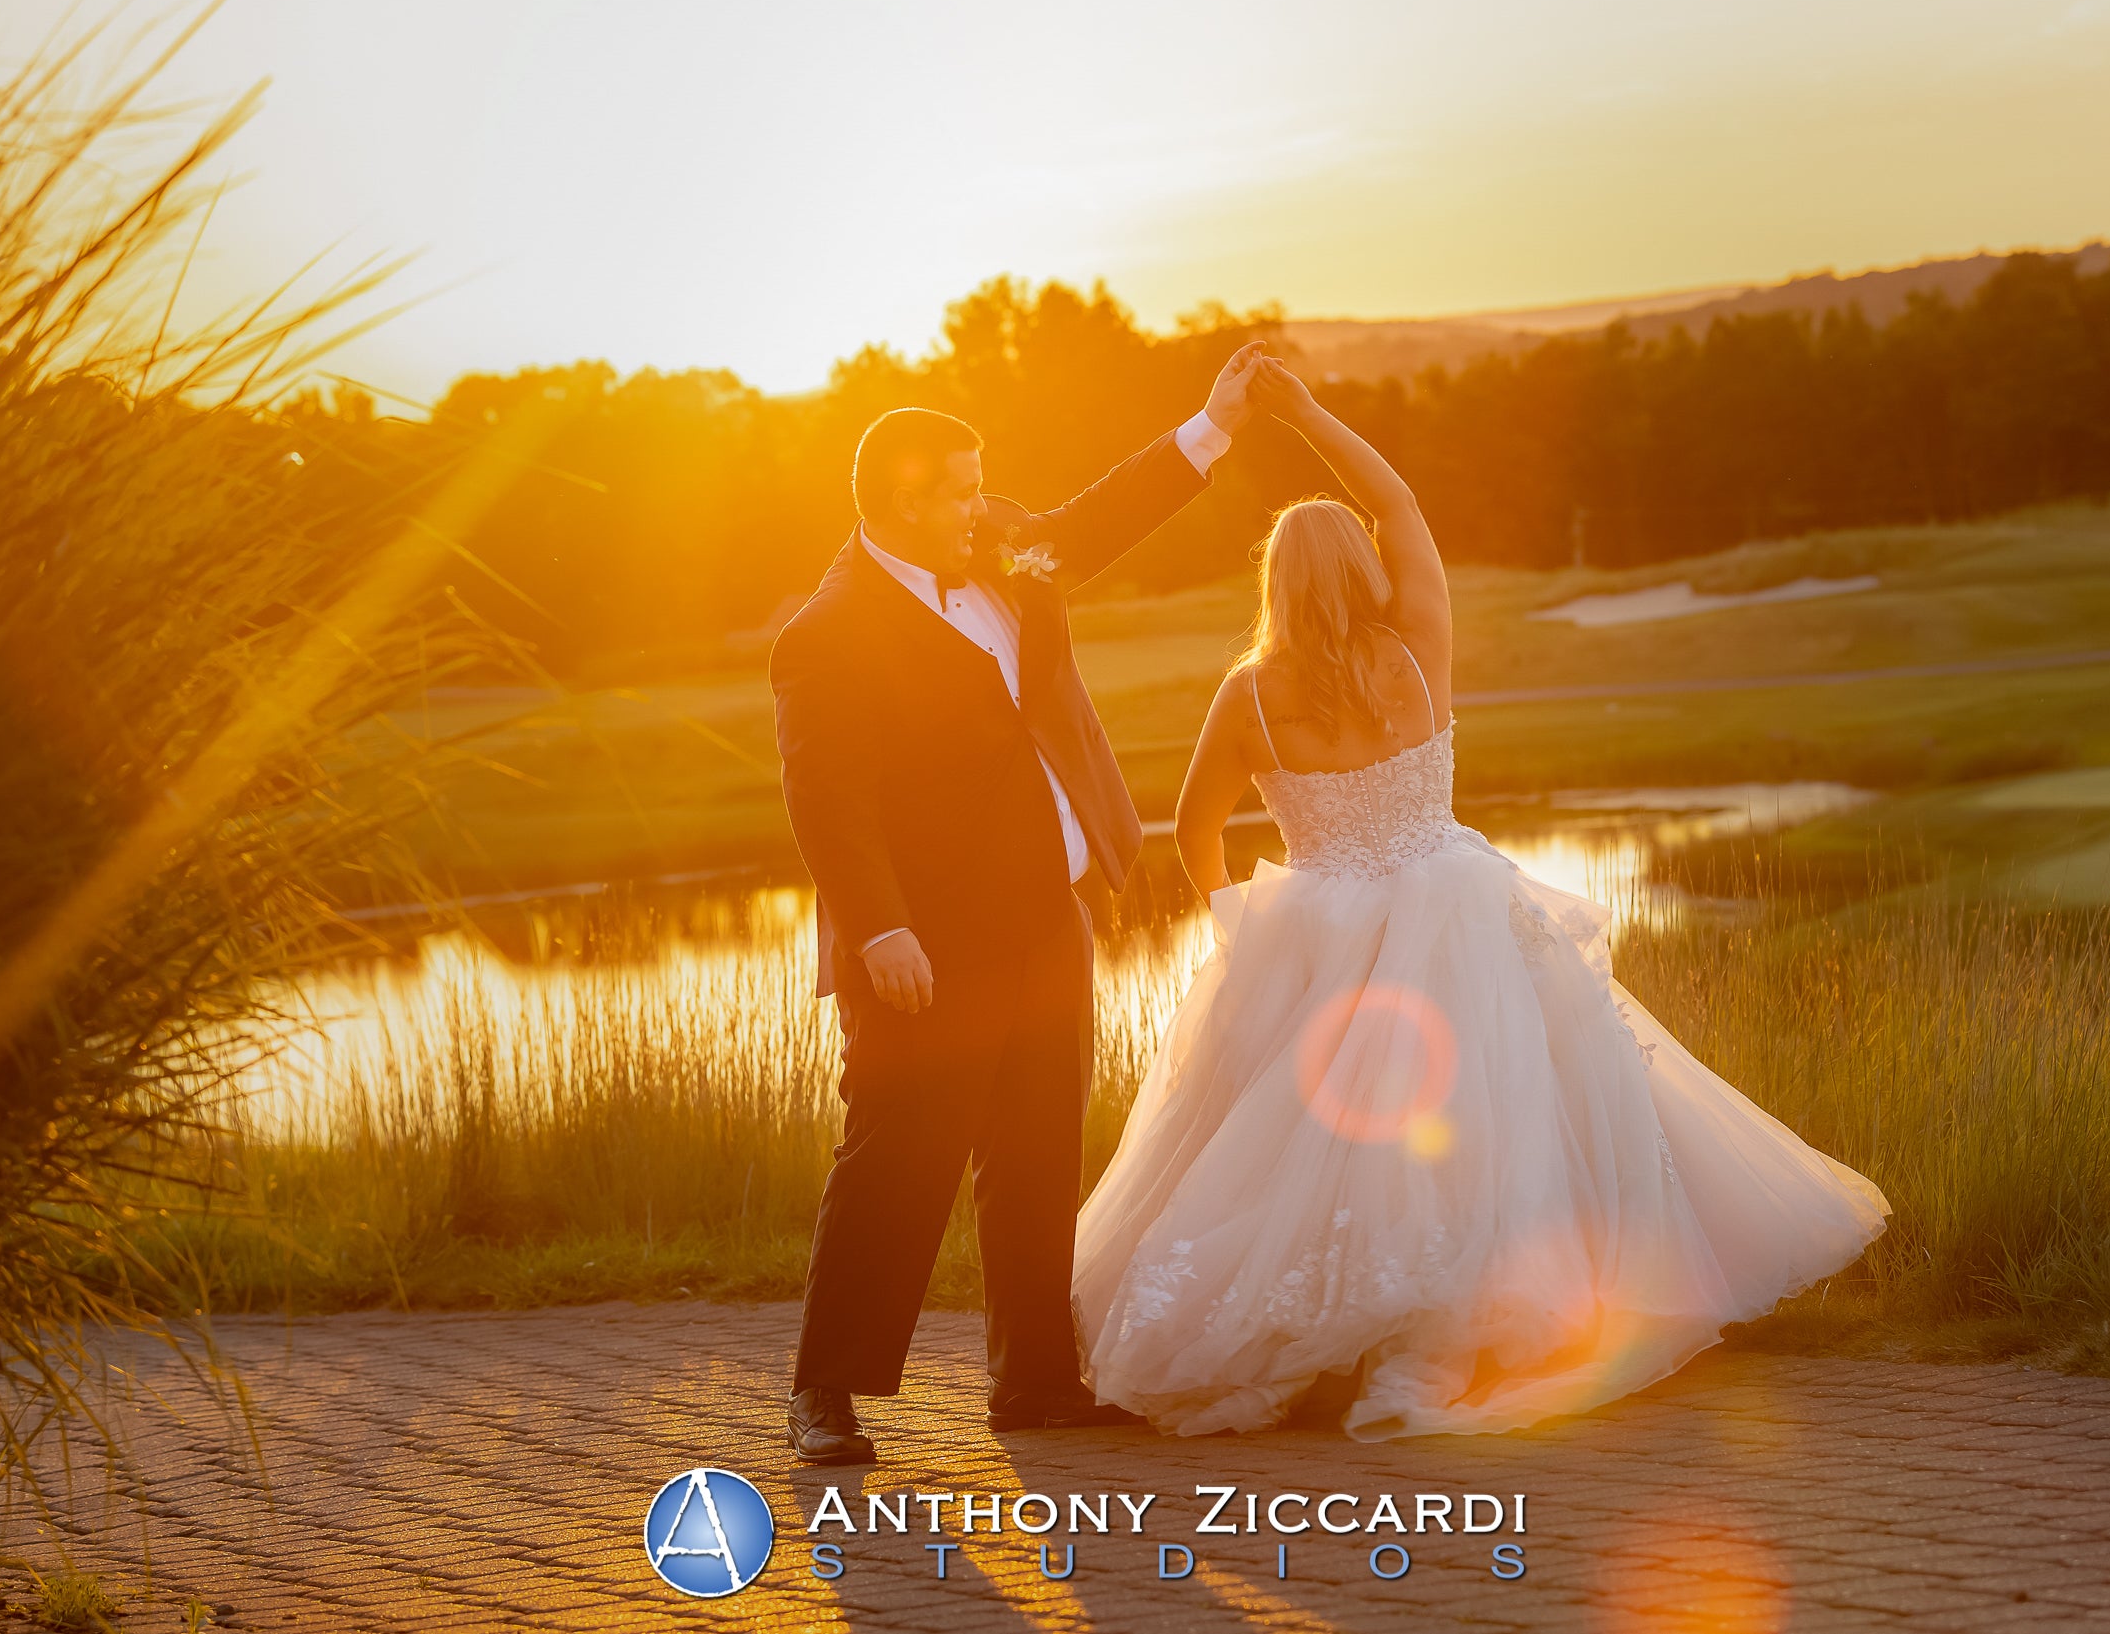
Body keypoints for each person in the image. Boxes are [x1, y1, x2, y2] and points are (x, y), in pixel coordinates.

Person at [1073, 356, 1889, 1440]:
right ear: (1360, 566)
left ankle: (1334, 1336)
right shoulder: (1414, 648)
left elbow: (1193, 832)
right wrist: (1308, 413)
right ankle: (1436, 1339)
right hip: (1452, 907)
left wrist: (1243, 926)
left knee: (1312, 1150)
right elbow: (1399, 501)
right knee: (1484, 1124)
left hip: (1311, 927)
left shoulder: (1246, 696)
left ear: (1270, 584)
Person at [770, 341, 1270, 1464]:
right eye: (955, 487)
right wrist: (882, 928)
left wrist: (1211, 425)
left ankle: (1036, 1382)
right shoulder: (828, 631)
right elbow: (827, 804)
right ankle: (825, 1391)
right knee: (896, 1157)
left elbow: (1092, 522)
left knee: (1039, 1154)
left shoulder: (999, 551)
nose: (980, 502)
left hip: (1047, 911)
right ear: (900, 501)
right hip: (925, 942)